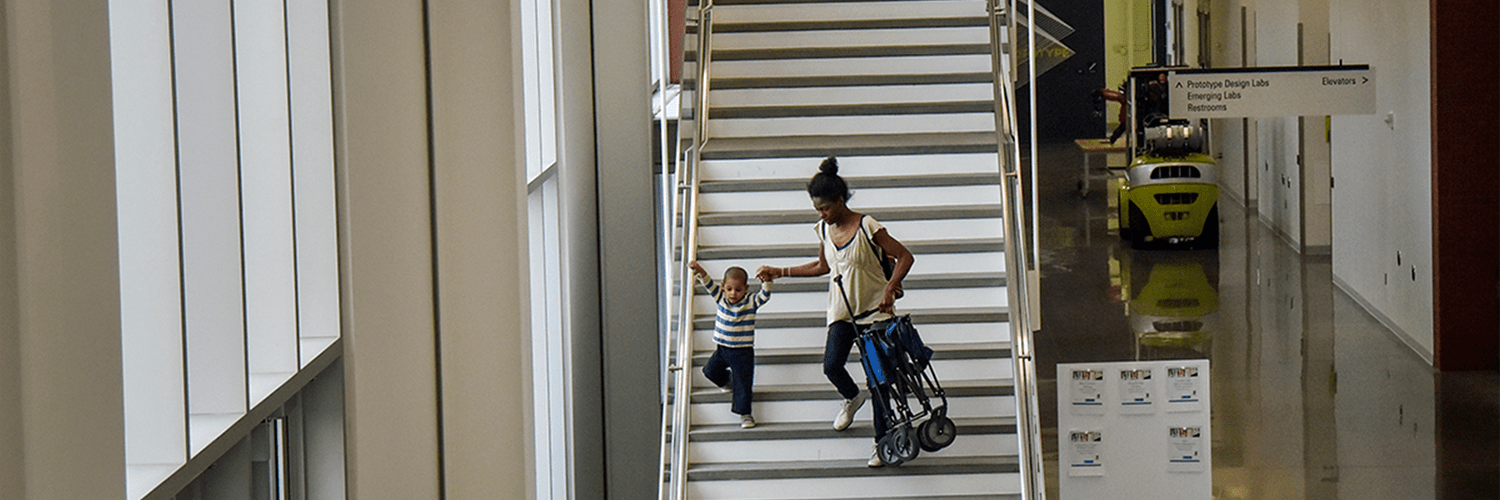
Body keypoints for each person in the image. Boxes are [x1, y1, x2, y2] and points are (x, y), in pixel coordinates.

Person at [756, 156, 914, 467]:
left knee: (879, 381)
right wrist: (780, 271)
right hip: (843, 314)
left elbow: (905, 257)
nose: (822, 214)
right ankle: (852, 398)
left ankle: (881, 443)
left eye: (825, 208)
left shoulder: (868, 225)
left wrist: (889, 288)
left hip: (874, 316)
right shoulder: (823, 230)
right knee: (831, 366)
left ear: (840, 201)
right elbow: (822, 267)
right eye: (818, 209)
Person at [690, 261, 773, 429]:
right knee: (709, 371)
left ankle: (745, 414)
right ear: (723, 287)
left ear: (746, 288)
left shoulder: (751, 301)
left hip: (743, 352)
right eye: (729, 289)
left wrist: (766, 282)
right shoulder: (720, 297)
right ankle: (727, 382)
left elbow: (764, 296)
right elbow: (707, 282)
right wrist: (699, 271)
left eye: (738, 290)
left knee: (743, 383)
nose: (733, 294)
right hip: (722, 349)